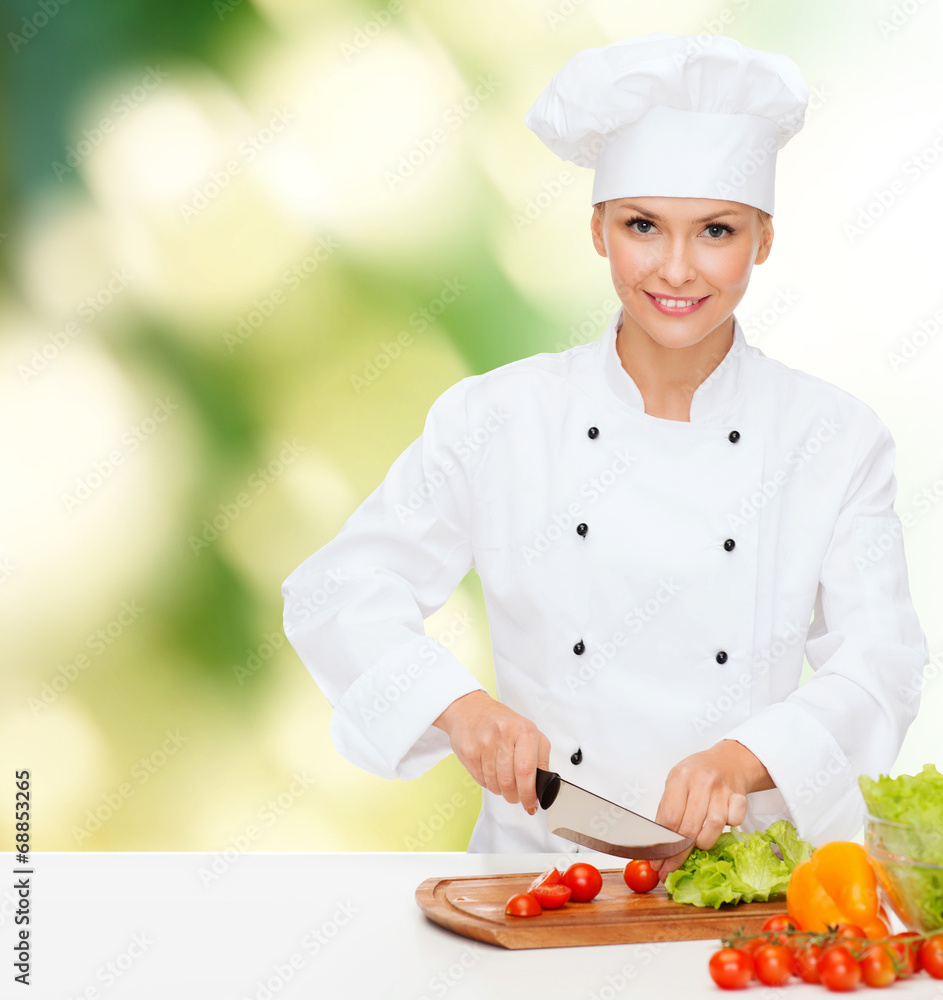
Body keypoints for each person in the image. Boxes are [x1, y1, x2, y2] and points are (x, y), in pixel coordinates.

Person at [282, 33, 929, 877]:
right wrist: (460, 707)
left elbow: (883, 660)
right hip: (535, 877)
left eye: (716, 232)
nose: (674, 268)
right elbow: (338, 590)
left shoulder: (832, 437)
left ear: (763, 239)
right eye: (641, 226)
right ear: (596, 231)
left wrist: (744, 759)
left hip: (742, 887)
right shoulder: (498, 416)